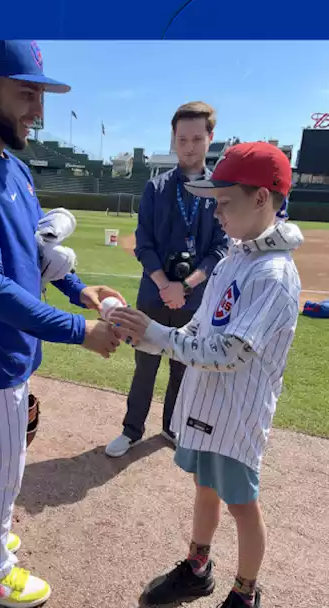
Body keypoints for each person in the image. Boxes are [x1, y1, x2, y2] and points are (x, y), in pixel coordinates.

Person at [0, 40, 125, 608]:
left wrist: (81, 292)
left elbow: (37, 247)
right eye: (26, 93)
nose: (38, 109)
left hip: (6, 347)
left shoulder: (11, 163)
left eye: (41, 94)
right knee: (2, 466)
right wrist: (80, 331)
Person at [108, 142, 304, 608]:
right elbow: (202, 322)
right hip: (206, 403)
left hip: (236, 413)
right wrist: (152, 331)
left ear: (262, 198)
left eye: (224, 202)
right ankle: (198, 567)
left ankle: (246, 597)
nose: (215, 213)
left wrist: (160, 335)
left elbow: (231, 351)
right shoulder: (236, 257)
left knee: (242, 503)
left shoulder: (273, 273)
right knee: (205, 487)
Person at [104, 102, 230, 458]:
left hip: (194, 301)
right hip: (154, 295)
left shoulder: (219, 192)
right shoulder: (156, 189)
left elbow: (219, 250)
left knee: (182, 368)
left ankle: (171, 427)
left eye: (196, 138)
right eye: (181, 139)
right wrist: (164, 284)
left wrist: (185, 286)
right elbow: (143, 244)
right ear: (173, 140)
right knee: (144, 367)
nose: (189, 146)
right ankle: (131, 430)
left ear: (210, 138)